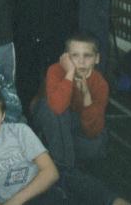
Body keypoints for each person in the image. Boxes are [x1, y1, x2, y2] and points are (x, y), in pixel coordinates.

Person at [0, 84, 130, 205]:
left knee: (104, 196)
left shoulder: (19, 131)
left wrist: (12, 202)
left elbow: (51, 173)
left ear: (3, 115)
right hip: (29, 202)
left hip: (52, 181)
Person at [32, 33, 109, 169]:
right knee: (54, 110)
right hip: (47, 116)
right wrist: (69, 74)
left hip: (72, 124)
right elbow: (57, 108)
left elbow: (92, 131)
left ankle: (54, 147)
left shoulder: (100, 84)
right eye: (75, 56)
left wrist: (86, 95)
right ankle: (64, 168)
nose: (81, 62)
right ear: (66, 58)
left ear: (97, 58)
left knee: (97, 145)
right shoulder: (55, 70)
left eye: (87, 56)